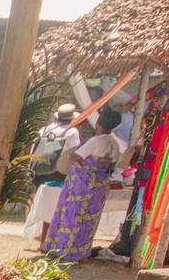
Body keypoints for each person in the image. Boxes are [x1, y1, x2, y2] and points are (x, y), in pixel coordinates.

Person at [43, 107, 128, 262]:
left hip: (82, 187)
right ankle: (80, 251)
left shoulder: (96, 140)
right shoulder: (114, 144)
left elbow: (75, 157)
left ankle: (65, 250)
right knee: (88, 220)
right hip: (99, 187)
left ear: (99, 122)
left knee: (72, 217)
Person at [32, 104, 81, 184]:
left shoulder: (44, 130)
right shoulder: (72, 131)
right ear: (72, 118)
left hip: (37, 170)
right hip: (57, 174)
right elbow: (73, 152)